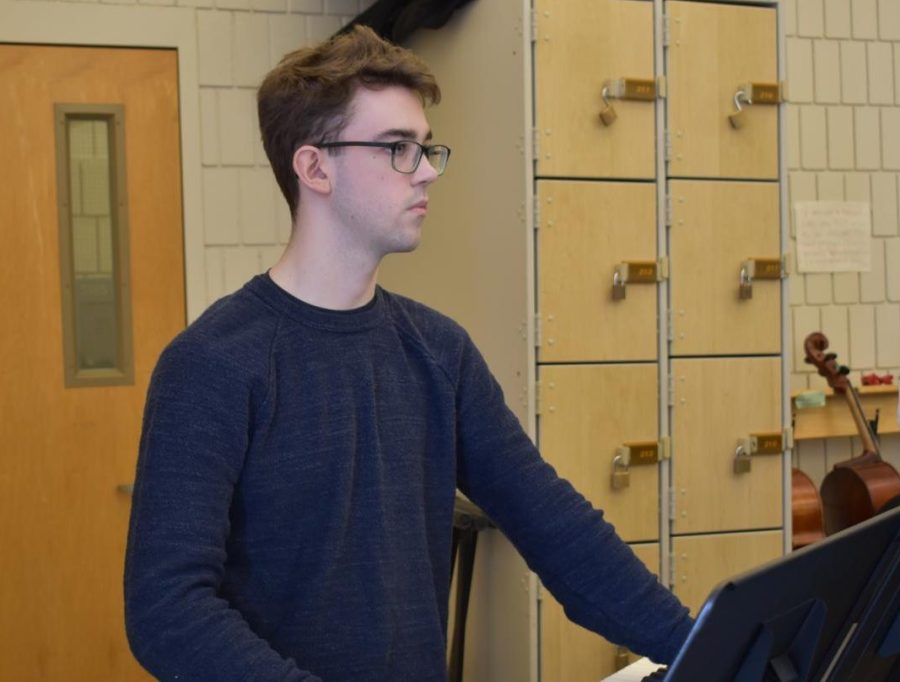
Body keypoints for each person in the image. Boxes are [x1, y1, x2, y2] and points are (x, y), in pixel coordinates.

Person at [124, 25, 692, 682]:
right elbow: (167, 609)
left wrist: (705, 646)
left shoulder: (437, 352)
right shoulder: (211, 365)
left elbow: (554, 525)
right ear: (314, 168)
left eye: (425, 148)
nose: (425, 171)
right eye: (397, 148)